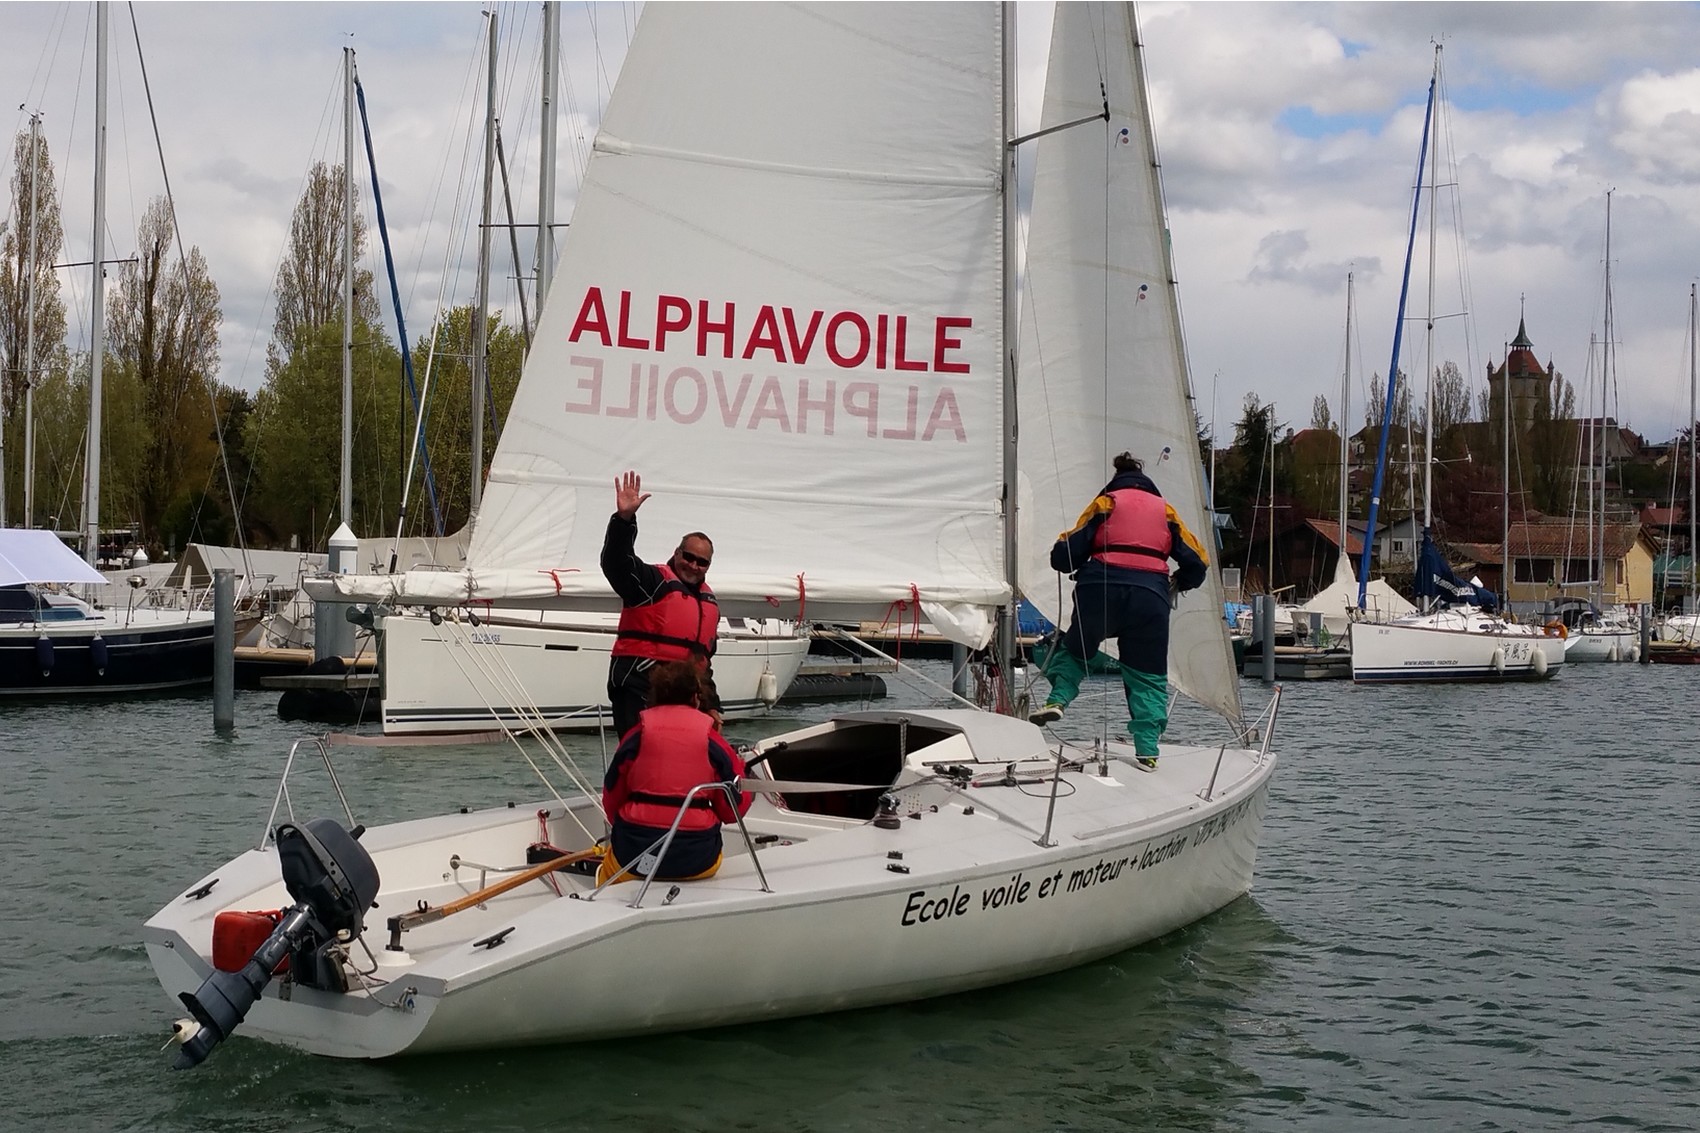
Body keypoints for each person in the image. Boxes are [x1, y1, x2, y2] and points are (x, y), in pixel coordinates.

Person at [1030, 452, 1209, 768]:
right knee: (1147, 676)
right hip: (1150, 599)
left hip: (1099, 591)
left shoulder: (1105, 504)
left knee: (1076, 650)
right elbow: (1198, 562)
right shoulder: (1166, 511)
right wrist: (1180, 581)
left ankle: (1057, 700)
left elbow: (1065, 555)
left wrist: (1068, 555)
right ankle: (1148, 750)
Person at [599, 661, 751, 882]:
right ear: (695, 697)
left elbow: (611, 799)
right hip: (697, 859)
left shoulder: (636, 736)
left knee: (609, 869)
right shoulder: (713, 742)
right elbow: (732, 811)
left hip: (634, 853)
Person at [601, 470, 720, 737]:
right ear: (676, 553)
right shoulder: (652, 582)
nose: (694, 565)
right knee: (639, 755)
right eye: (688, 556)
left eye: (702, 562)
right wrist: (624, 520)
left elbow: (703, 663)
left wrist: (712, 707)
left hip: (681, 696)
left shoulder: (709, 603)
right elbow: (616, 563)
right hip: (638, 688)